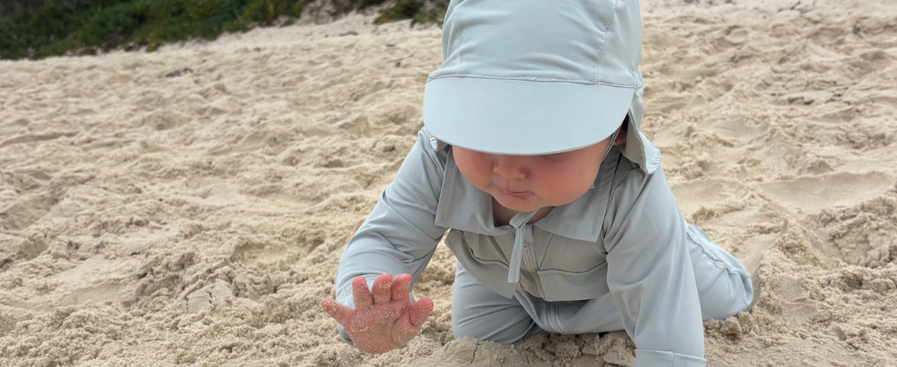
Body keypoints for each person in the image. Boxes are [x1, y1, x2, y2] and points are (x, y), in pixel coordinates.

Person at [319, 0, 753, 365]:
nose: (509, 169)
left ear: (617, 131)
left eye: (549, 143)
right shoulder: (440, 157)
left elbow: (669, 340)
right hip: (501, 280)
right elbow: (389, 239)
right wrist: (367, 306)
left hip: (618, 282)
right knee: (481, 341)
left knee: (722, 301)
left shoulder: (631, 189)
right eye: (484, 131)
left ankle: (685, 242)